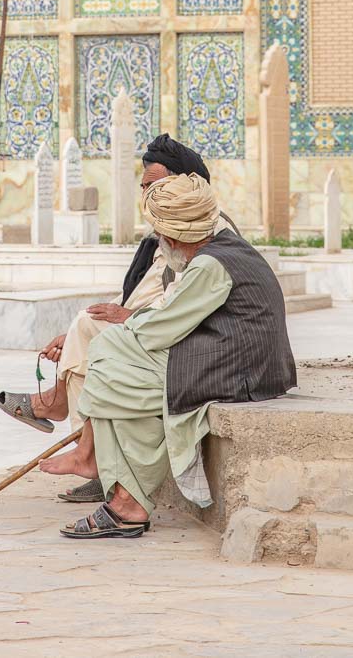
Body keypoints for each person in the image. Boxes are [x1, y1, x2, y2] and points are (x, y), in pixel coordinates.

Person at [42, 173, 296, 539]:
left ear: (173, 239)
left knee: (113, 366)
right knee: (109, 358)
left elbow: (161, 328)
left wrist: (126, 329)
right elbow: (167, 321)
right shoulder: (224, 248)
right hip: (233, 357)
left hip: (241, 371)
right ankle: (114, 485)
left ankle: (121, 495)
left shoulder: (209, 265)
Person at [0, 134, 237, 504]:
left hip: (194, 348)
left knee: (95, 337)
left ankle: (73, 431)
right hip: (162, 329)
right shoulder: (164, 231)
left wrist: (121, 320)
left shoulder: (199, 230)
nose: (146, 195)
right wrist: (94, 327)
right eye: (144, 187)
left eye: (155, 186)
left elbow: (177, 306)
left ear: (184, 185)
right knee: (87, 329)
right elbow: (139, 296)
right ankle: (88, 447)